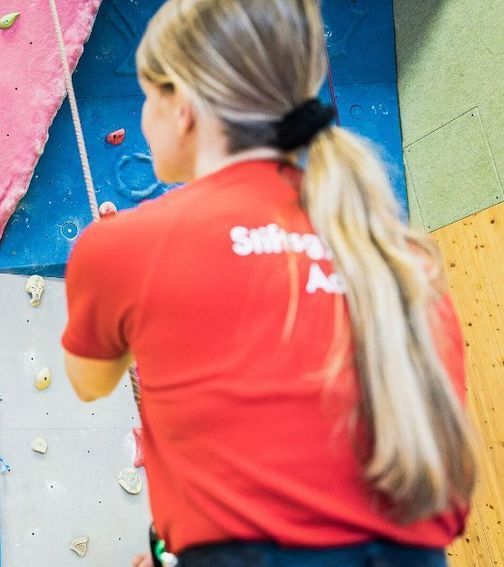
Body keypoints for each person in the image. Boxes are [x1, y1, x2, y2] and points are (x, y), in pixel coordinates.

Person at [60, 1, 477, 565]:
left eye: (147, 95)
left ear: (181, 104)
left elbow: (89, 381)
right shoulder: (399, 258)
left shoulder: (123, 247)